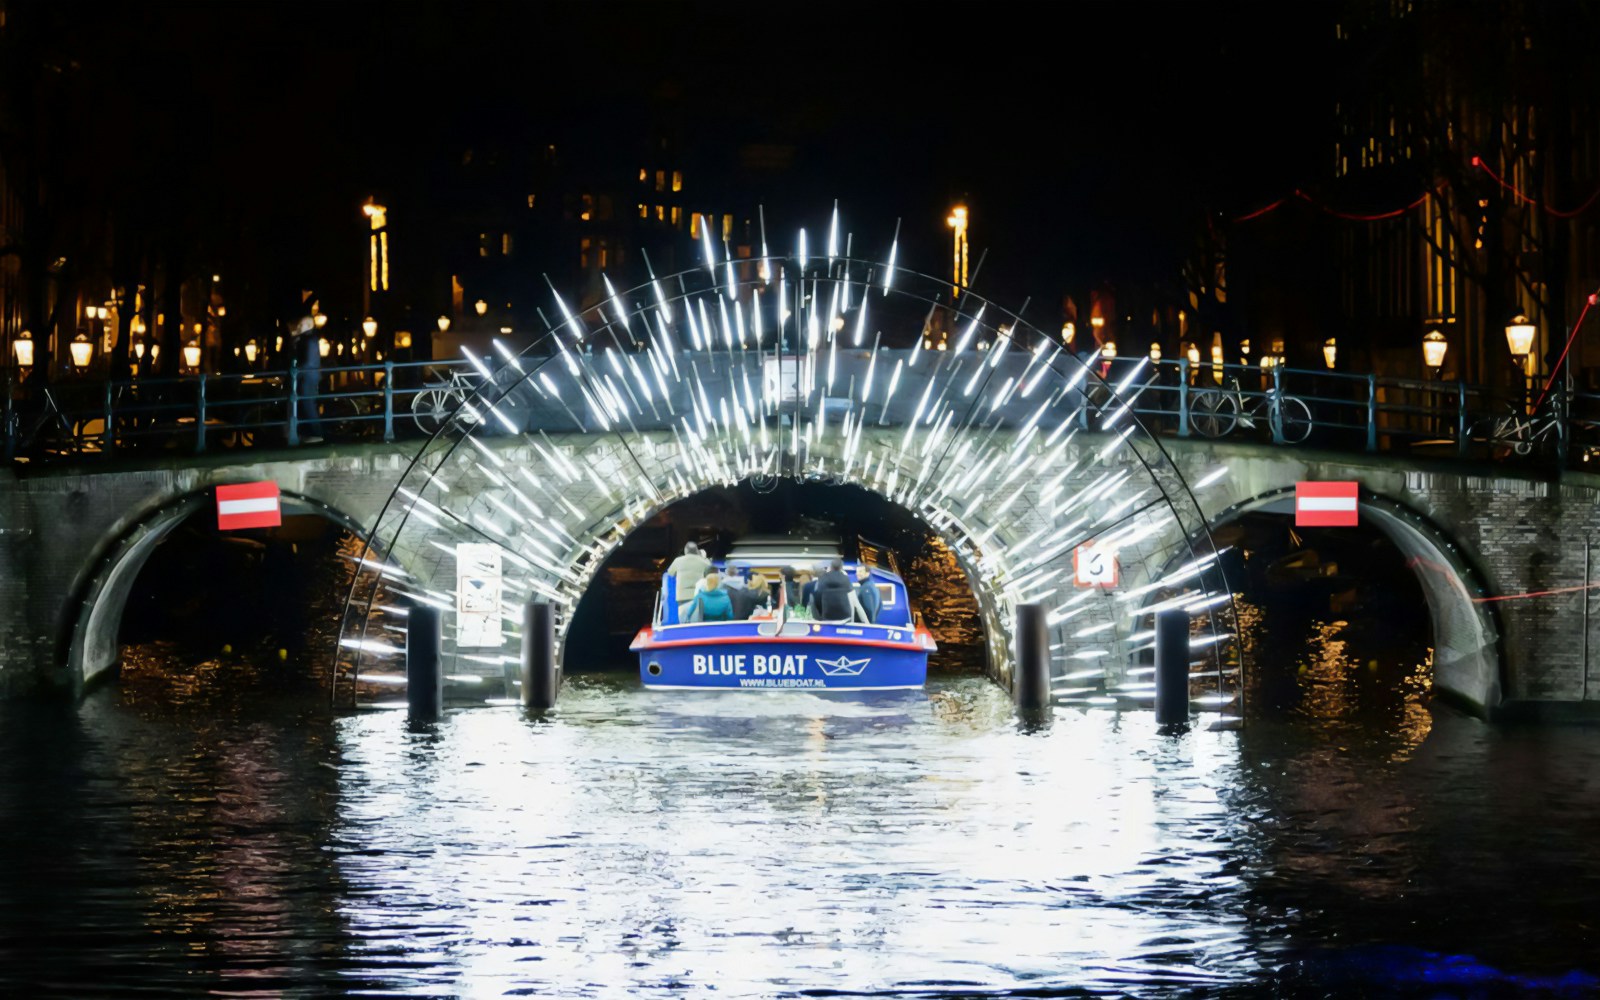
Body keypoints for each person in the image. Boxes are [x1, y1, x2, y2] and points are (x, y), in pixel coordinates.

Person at [290, 306, 324, 443]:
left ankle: (316, 433)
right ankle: (309, 432)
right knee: (305, 404)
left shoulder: (309, 340)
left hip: (308, 376)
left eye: (301, 324)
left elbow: (309, 361)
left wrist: (296, 371)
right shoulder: (306, 338)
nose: (299, 325)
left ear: (309, 325)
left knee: (308, 404)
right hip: (307, 376)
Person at [666, 541, 712, 620]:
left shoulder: (678, 561)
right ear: (697, 551)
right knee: (697, 622)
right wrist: (704, 558)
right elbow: (710, 571)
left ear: (685, 550)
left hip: (682, 596)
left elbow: (670, 572)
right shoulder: (703, 561)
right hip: (698, 596)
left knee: (683, 621)